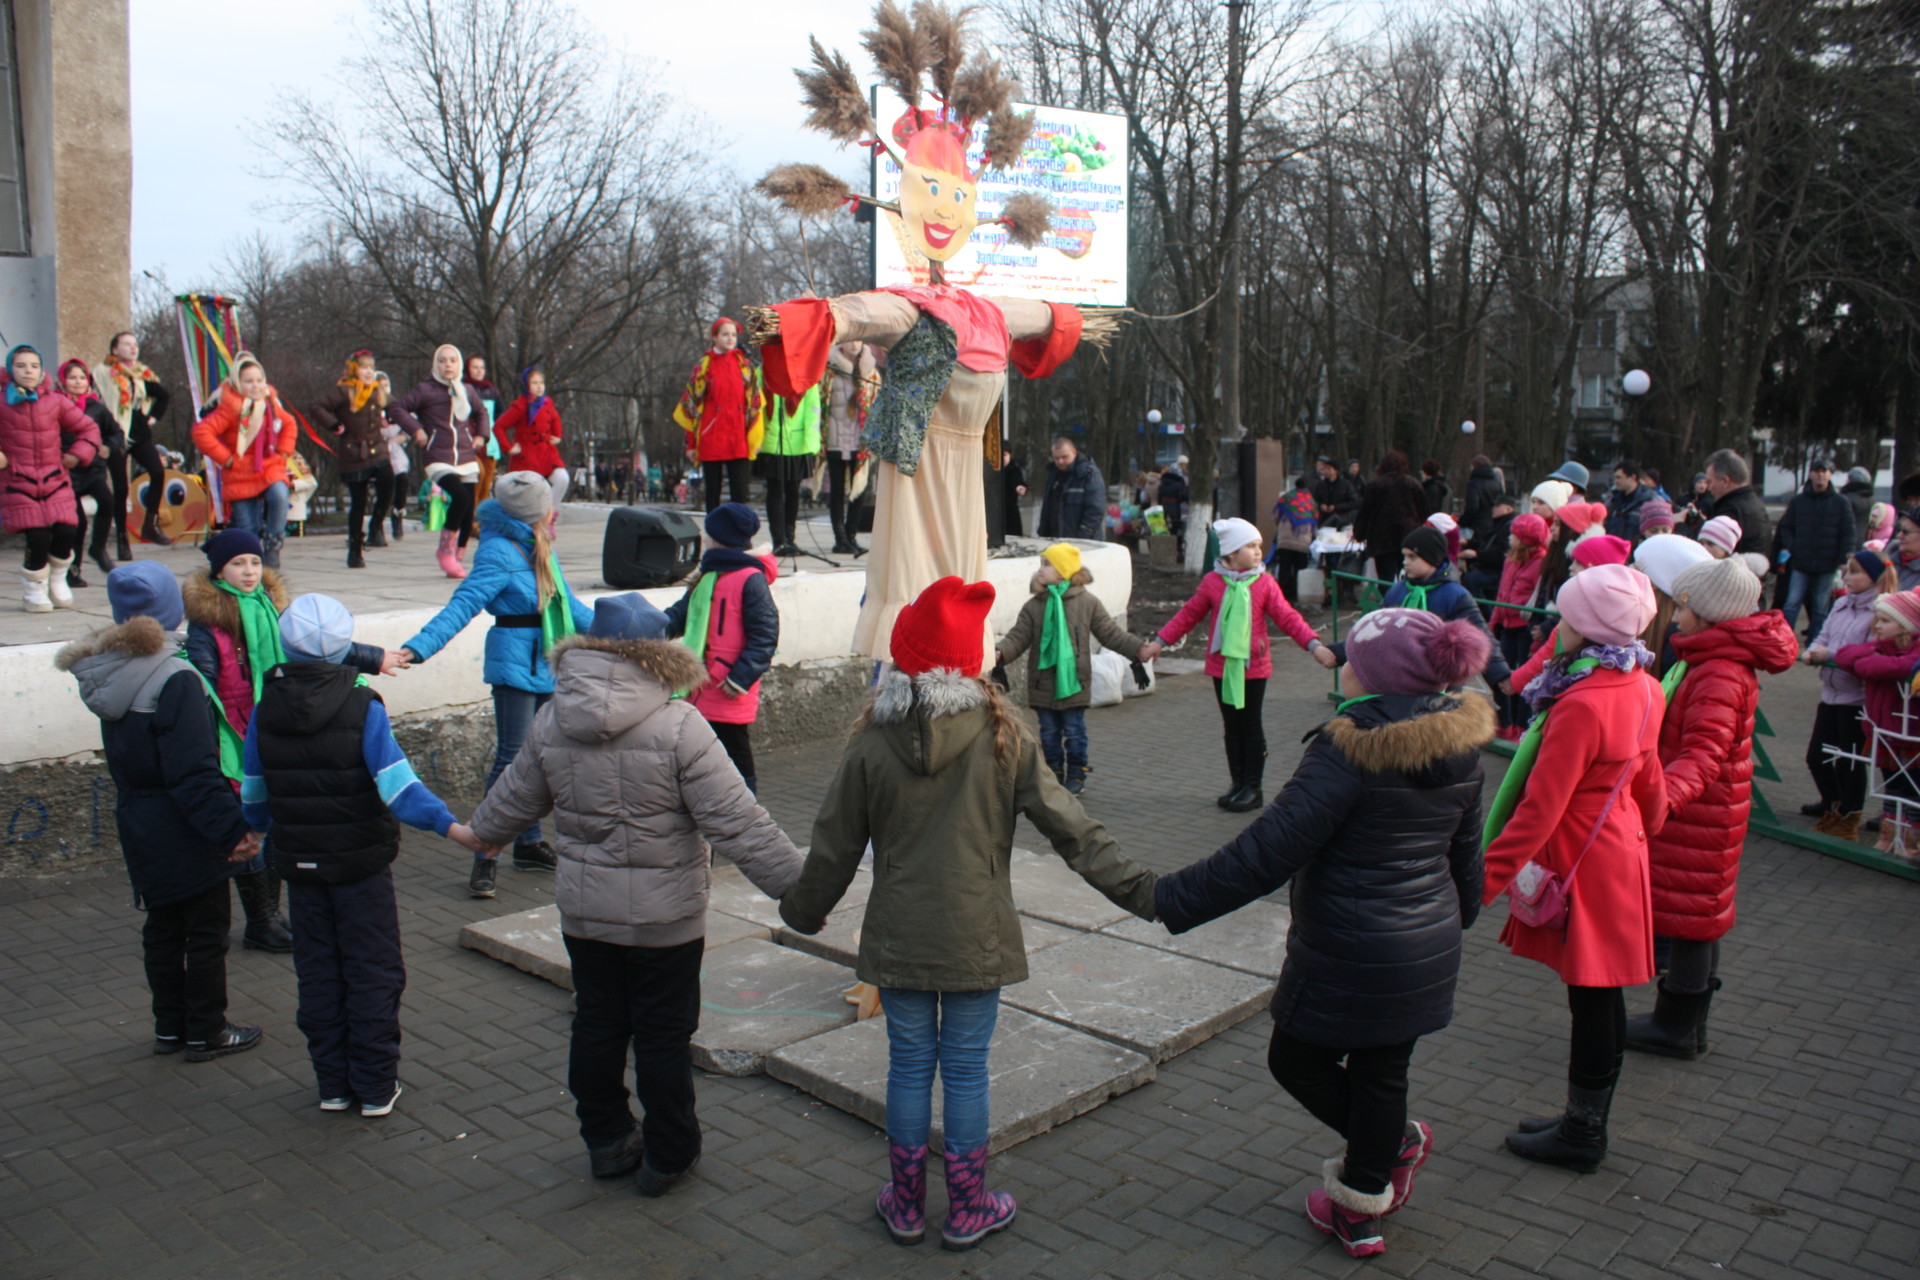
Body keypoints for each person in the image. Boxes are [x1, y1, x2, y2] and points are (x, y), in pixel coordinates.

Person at [779, 576, 1159, 1251]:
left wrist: (803, 912)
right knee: (963, 1070)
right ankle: (967, 1206)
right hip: (976, 935)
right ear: (972, 661)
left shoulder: (871, 743)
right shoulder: (1005, 735)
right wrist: (1143, 892)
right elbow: (1073, 830)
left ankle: (904, 1204)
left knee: (907, 1065)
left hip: (898, 935)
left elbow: (833, 847)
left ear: (904, 657)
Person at [1156, 609, 1493, 1259]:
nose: (1344, 665)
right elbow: (1466, 852)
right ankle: (1363, 1203)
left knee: (1296, 1060)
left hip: (1351, 945)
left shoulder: (1350, 749)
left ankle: (1381, 1159)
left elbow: (1267, 850)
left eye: (1354, 659)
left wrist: (1171, 897)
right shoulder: (1462, 742)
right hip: (1425, 943)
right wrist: (1460, 918)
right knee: (1383, 1072)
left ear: (1377, 676)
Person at [468, 592, 805, 1194]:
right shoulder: (682, 727)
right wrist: (802, 893)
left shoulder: (552, 720)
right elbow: (739, 824)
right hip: (665, 922)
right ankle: (669, 1155)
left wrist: (478, 836)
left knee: (597, 1025)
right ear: (659, 656)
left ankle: (606, 1141)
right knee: (662, 1037)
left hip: (586, 916)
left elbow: (508, 805)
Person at [241, 594, 485, 1117]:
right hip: (360, 868)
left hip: (301, 868)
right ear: (342, 649)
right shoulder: (362, 706)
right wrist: (454, 829)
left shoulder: (265, 708)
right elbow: (399, 788)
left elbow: (255, 789)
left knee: (318, 973)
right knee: (372, 970)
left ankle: (332, 1085)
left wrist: (255, 833)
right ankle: (375, 1086)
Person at [1482, 564, 1667, 1173]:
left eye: (1565, 617)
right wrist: (1649, 829)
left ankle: (1583, 1133)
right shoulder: (1645, 684)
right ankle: (1583, 1118)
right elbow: (1649, 779)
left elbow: (1540, 809)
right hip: (1620, 850)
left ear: (1587, 629)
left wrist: (1482, 881)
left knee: (1591, 999)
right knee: (1600, 995)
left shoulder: (1581, 703)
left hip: (1584, 857)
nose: (1555, 627)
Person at [57, 563, 263, 1062]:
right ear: (171, 610)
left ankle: (170, 1027)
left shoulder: (109, 669)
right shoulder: (174, 677)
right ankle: (207, 1030)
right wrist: (231, 830)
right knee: (206, 930)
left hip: (139, 817)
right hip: (184, 824)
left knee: (164, 928)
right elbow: (192, 770)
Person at [182, 527, 400, 952]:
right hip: (235, 734)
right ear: (219, 571)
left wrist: (374, 657)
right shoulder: (208, 624)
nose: (250, 571)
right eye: (238, 564)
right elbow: (201, 685)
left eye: (255, 562)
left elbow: (318, 645)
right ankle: (261, 920)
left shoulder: (270, 607)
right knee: (250, 824)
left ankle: (272, 915)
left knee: (274, 819)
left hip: (275, 723)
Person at [1626, 558, 1794, 1060]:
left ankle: (1675, 1025)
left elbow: (1704, 753)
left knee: (1692, 918)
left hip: (1700, 813)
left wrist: (1663, 801)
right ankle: (1687, 1024)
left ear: (1707, 613)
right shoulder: (1713, 659)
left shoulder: (1719, 671)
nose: (1675, 615)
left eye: (1683, 606)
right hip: (1710, 810)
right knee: (1700, 914)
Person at [400, 473, 593, 895]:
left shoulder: (540, 546)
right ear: (539, 510)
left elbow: (571, 607)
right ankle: (485, 854)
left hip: (546, 661)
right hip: (513, 665)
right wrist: (419, 647)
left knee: (541, 757)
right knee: (511, 759)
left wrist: (630, 629)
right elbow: (464, 603)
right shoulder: (499, 551)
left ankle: (528, 843)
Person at [1145, 518, 1338, 811]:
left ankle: (1253, 787)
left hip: (1253, 668)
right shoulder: (1213, 582)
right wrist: (1160, 642)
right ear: (1232, 553)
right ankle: (1237, 783)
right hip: (1221, 666)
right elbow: (1188, 615)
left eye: (1259, 545)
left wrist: (1314, 645)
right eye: (1251, 546)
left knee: (1250, 726)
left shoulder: (1265, 583)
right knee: (1232, 727)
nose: (1258, 551)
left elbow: (1287, 617)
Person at [992, 543, 1153, 794]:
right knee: (1049, 733)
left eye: (1047, 564)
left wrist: (1137, 649)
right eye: (1041, 564)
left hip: (1074, 683)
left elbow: (1110, 633)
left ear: (1063, 571)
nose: (1040, 569)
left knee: (1074, 732)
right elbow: (1018, 637)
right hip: (1043, 682)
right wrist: (1000, 652)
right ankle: (1053, 773)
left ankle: (1077, 772)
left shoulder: (1087, 603)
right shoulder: (1034, 606)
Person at [662, 504, 779, 793]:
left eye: (709, 535)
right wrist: (649, 626)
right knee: (699, 752)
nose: (705, 540)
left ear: (721, 538)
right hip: (700, 684)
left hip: (728, 685)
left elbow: (765, 634)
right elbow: (681, 614)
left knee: (735, 751)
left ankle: (746, 805)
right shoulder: (708, 575)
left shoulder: (750, 579)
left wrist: (740, 678)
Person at [2, 344, 101, 611]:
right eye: (21, 366)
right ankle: (34, 588)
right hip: (18, 482)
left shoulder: (55, 401)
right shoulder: (2, 401)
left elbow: (89, 429)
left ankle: (58, 579)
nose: (28, 371)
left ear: (41, 370)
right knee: (37, 536)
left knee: (66, 530)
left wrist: (77, 455)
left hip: (55, 479)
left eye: (34, 366)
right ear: (10, 369)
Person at [1799, 552, 1889, 838]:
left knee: (1849, 762)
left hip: (1857, 699)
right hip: (1830, 694)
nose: (1846, 577)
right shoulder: (1840, 603)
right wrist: (1812, 651)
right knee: (1817, 757)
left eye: (1855, 571)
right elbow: (1823, 635)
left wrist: (1831, 656)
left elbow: (1869, 652)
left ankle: (1849, 816)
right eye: (1847, 571)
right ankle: (1832, 805)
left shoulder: (1879, 611)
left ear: (1873, 577)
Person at [1354, 526, 1509, 690]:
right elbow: (1372, 628)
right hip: (1398, 678)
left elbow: (1482, 637)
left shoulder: (1454, 595)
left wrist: (1500, 675)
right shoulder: (1398, 590)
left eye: (1412, 557)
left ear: (1431, 558)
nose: (1405, 562)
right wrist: (1339, 652)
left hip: (1440, 684)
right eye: (1404, 556)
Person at [387, 344, 490, 578]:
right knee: (460, 496)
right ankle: (445, 550)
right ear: (436, 365)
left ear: (459, 364)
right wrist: (417, 430)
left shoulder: (467, 390)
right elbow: (397, 408)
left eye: (452, 360)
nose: (448, 365)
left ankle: (458, 557)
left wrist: (481, 435)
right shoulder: (425, 390)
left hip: (465, 454)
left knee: (468, 508)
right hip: (438, 455)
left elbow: (481, 412)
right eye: (442, 361)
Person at [190, 353, 298, 567]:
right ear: (237, 383)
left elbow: (289, 424)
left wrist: (284, 451)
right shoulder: (230, 406)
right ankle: (252, 559)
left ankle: (273, 545)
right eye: (249, 381)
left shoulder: (270, 403)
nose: (255, 385)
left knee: (279, 494)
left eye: (259, 380)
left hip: (269, 466)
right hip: (240, 471)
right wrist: (226, 459)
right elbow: (202, 432)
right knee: (248, 527)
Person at [1834, 589, 1920, 855]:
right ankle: (1889, 835)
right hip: (1884, 732)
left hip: (1911, 733)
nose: (1877, 626)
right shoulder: (1881, 647)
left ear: (1906, 625)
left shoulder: (1914, 649)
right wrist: (1874, 659)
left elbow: (1903, 666)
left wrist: (1871, 664)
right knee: (1889, 786)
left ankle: (1911, 841)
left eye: (1885, 620)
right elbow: (1845, 654)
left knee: (1913, 789)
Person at [310, 350, 396, 569]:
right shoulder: (344, 390)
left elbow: (397, 406)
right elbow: (317, 407)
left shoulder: (378, 391)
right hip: (354, 451)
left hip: (378, 448)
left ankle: (376, 523)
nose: (368, 372)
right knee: (358, 501)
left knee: (388, 479)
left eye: (371, 368)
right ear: (354, 370)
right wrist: (334, 425)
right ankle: (355, 548)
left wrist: (390, 417)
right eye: (364, 368)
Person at [93, 330, 173, 550]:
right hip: (114, 431)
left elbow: (163, 395)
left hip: (137, 430)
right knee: (120, 487)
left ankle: (150, 524)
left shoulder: (140, 374)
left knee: (157, 471)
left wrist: (152, 417)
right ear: (115, 349)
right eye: (127, 344)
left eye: (135, 344)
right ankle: (122, 537)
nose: (132, 348)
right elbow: (95, 396)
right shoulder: (103, 372)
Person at [675, 318, 762, 511]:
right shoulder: (703, 368)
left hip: (738, 436)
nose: (730, 338)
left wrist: (755, 438)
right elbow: (692, 406)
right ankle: (713, 528)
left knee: (740, 493)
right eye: (725, 334)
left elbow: (755, 404)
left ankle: (739, 528)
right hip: (711, 435)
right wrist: (691, 444)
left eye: (733, 334)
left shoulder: (745, 366)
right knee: (712, 493)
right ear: (714, 337)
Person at [53, 358, 122, 585]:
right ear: (62, 381)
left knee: (107, 501)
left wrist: (108, 447)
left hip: (93, 470)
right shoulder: (54, 405)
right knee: (78, 522)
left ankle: (98, 548)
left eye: (82, 378)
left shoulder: (96, 408)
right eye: (72, 378)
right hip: (66, 473)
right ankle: (73, 570)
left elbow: (116, 433)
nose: (78, 382)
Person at [1775, 460, 1856, 645]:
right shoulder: (1798, 501)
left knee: (1820, 606)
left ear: (1830, 474)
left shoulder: (1840, 502)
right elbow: (1786, 527)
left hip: (1827, 563)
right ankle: (1783, 642)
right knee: (1792, 603)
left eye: (1824, 471)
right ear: (1810, 474)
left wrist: (1844, 558)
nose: (1820, 475)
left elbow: (1848, 532)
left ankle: (1815, 642)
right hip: (1801, 561)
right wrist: (1793, 546)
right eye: (1817, 471)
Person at [1490, 513, 1551, 737]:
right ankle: (1505, 722)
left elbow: (1536, 596)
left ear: (1524, 539)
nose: (1509, 538)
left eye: (1514, 535)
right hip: (1506, 625)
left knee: (1523, 677)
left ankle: (1520, 725)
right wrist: (1494, 620)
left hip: (1524, 627)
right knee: (1501, 674)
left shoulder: (1540, 561)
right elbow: (1502, 591)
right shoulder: (1510, 559)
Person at [491, 366, 570, 526]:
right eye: (534, 383)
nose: (539, 386)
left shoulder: (547, 402)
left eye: (541, 382)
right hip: (527, 455)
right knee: (530, 493)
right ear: (526, 385)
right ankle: (528, 523)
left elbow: (555, 418)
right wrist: (508, 447)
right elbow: (498, 426)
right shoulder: (520, 406)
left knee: (562, 478)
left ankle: (548, 516)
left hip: (547, 453)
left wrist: (557, 435)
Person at [757, 372, 820, 556]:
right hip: (771, 443)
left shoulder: (806, 374)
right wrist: (757, 439)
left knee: (793, 492)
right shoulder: (764, 373)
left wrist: (811, 443)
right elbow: (757, 408)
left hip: (797, 444)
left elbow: (812, 410)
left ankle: (789, 539)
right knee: (775, 492)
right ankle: (778, 540)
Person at [825, 341, 877, 553]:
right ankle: (840, 539)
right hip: (835, 438)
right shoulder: (830, 370)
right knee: (837, 490)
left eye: (858, 339)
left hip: (860, 440)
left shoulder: (871, 372)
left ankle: (851, 535)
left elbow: (876, 405)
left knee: (859, 490)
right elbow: (823, 403)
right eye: (850, 339)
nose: (854, 344)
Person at [1354, 453, 1429, 582]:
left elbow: (1365, 511)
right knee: (1409, 575)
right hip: (1409, 535)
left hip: (1382, 538)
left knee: (1385, 578)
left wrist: (1359, 533)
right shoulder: (1413, 484)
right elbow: (1424, 511)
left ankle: (1388, 595)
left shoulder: (1375, 485)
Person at [1036, 436, 1106, 540]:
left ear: (1074, 452)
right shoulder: (1053, 473)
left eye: (1064, 457)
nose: (1060, 461)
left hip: (1083, 542)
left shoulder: (1088, 474)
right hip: (1054, 539)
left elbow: (1095, 510)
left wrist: (1082, 537)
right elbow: (1047, 507)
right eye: (1056, 458)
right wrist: (1043, 533)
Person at [1703, 449, 1771, 555]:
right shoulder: (1755, 503)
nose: (1709, 488)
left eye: (1710, 482)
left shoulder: (1731, 511)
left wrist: (1682, 526)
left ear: (1725, 481)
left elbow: (1709, 552)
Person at [465, 353, 509, 507]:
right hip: (470, 441)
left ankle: (482, 517)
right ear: (468, 369)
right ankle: (470, 515)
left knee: (486, 487)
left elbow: (502, 414)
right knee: (477, 476)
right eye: (475, 367)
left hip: (490, 443)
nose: (479, 371)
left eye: (482, 368)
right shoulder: (463, 389)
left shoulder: (492, 390)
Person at [1270, 478, 1319, 603]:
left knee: (1284, 568)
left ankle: (1283, 596)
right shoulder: (1310, 502)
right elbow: (1315, 521)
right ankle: (1297, 594)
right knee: (1299, 569)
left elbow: (1276, 516)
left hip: (1284, 541)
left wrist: (1282, 528)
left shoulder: (1286, 498)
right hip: (1302, 542)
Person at [1460, 492, 1516, 600]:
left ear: (1508, 509)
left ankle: (1482, 609)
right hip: (1491, 569)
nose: (1493, 509)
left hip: (1497, 572)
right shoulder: (1499, 524)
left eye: (1497, 506)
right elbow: (1487, 544)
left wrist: (1477, 554)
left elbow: (1502, 552)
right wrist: (1468, 543)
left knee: (1469, 579)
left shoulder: (1508, 526)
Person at [379, 371, 409, 542]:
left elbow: (410, 424)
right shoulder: (369, 406)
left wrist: (403, 436)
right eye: (379, 386)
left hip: (394, 449)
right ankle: (378, 522)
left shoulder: (397, 407)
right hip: (376, 450)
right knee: (384, 485)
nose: (383, 389)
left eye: (385, 386)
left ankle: (398, 513)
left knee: (401, 479)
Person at [1604, 462, 1652, 542]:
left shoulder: (1649, 501)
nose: (1616, 481)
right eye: (1615, 478)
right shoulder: (1613, 501)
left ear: (1633, 477)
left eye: (1619, 478)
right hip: (1612, 546)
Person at [1461, 455, 1502, 548]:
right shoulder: (1497, 483)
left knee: (1470, 550)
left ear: (1474, 466)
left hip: (1476, 525)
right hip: (1492, 523)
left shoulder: (1473, 483)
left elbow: (1472, 507)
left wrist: (1463, 521)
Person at [1313, 455, 1359, 529]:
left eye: (1329, 468)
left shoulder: (1346, 485)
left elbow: (1354, 502)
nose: (1326, 471)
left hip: (1341, 519)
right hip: (1323, 519)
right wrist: (1321, 505)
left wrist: (1336, 507)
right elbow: (1314, 500)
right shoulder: (1321, 485)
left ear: (1335, 471)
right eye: (1325, 468)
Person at [999, 449, 1027, 542]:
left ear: (1010, 455)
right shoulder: (990, 470)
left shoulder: (1014, 470)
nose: (1002, 458)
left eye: (1004, 455)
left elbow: (1017, 481)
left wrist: (1019, 487)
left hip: (1010, 512)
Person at [1841, 465, 1876, 540]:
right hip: (1866, 537)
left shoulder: (1847, 499)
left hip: (1849, 537)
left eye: (1848, 479)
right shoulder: (1872, 499)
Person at [1678, 473, 1712, 539]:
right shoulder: (1682, 499)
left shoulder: (1709, 502)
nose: (1702, 486)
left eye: (1705, 483)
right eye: (1699, 482)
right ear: (1694, 484)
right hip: (1683, 533)